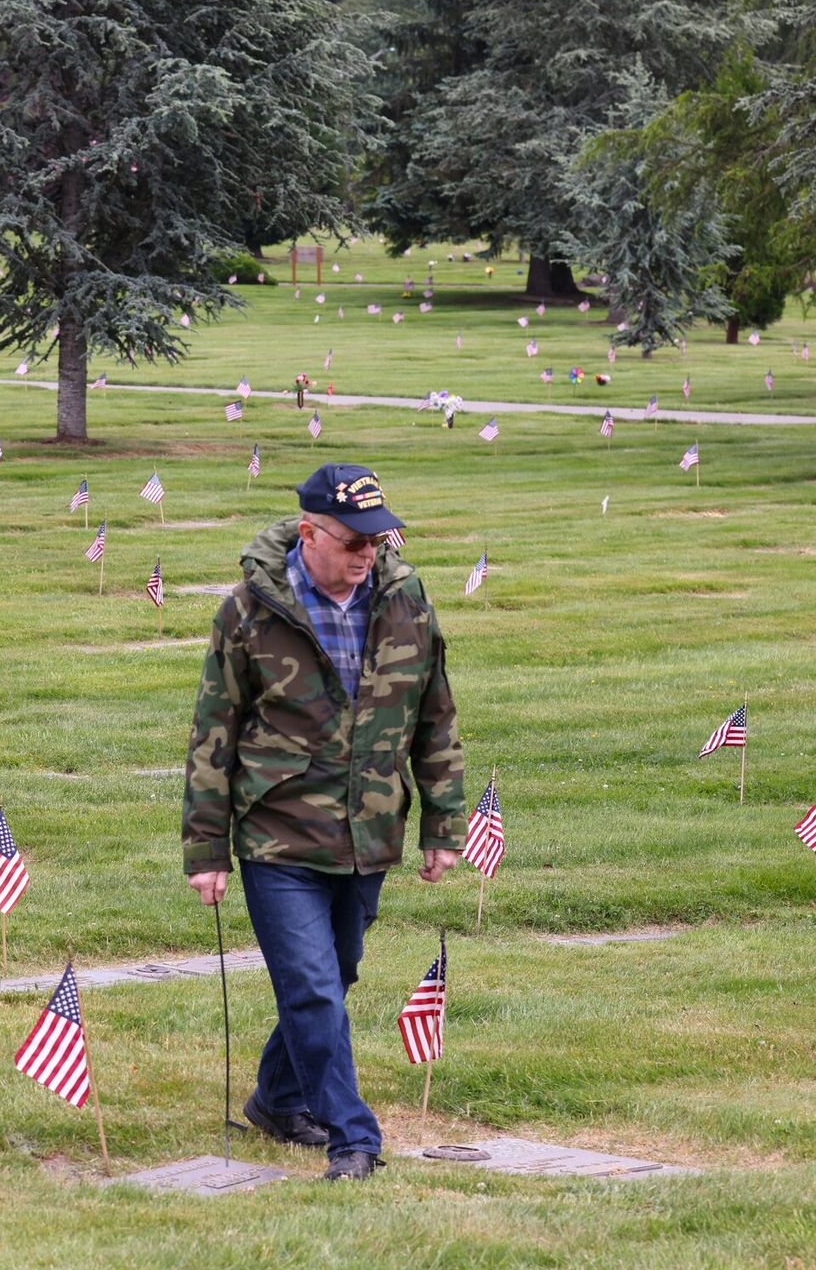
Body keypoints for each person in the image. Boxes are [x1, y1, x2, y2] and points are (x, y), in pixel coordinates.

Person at [181, 463, 465, 1180]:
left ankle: (278, 1098)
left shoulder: (405, 597)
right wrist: (206, 847)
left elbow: (434, 715)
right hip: (277, 835)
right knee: (309, 985)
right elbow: (213, 731)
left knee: (334, 975)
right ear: (308, 533)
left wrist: (442, 825)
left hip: (369, 833)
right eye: (351, 540)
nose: (367, 552)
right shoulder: (247, 611)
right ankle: (353, 1136)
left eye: (375, 538)